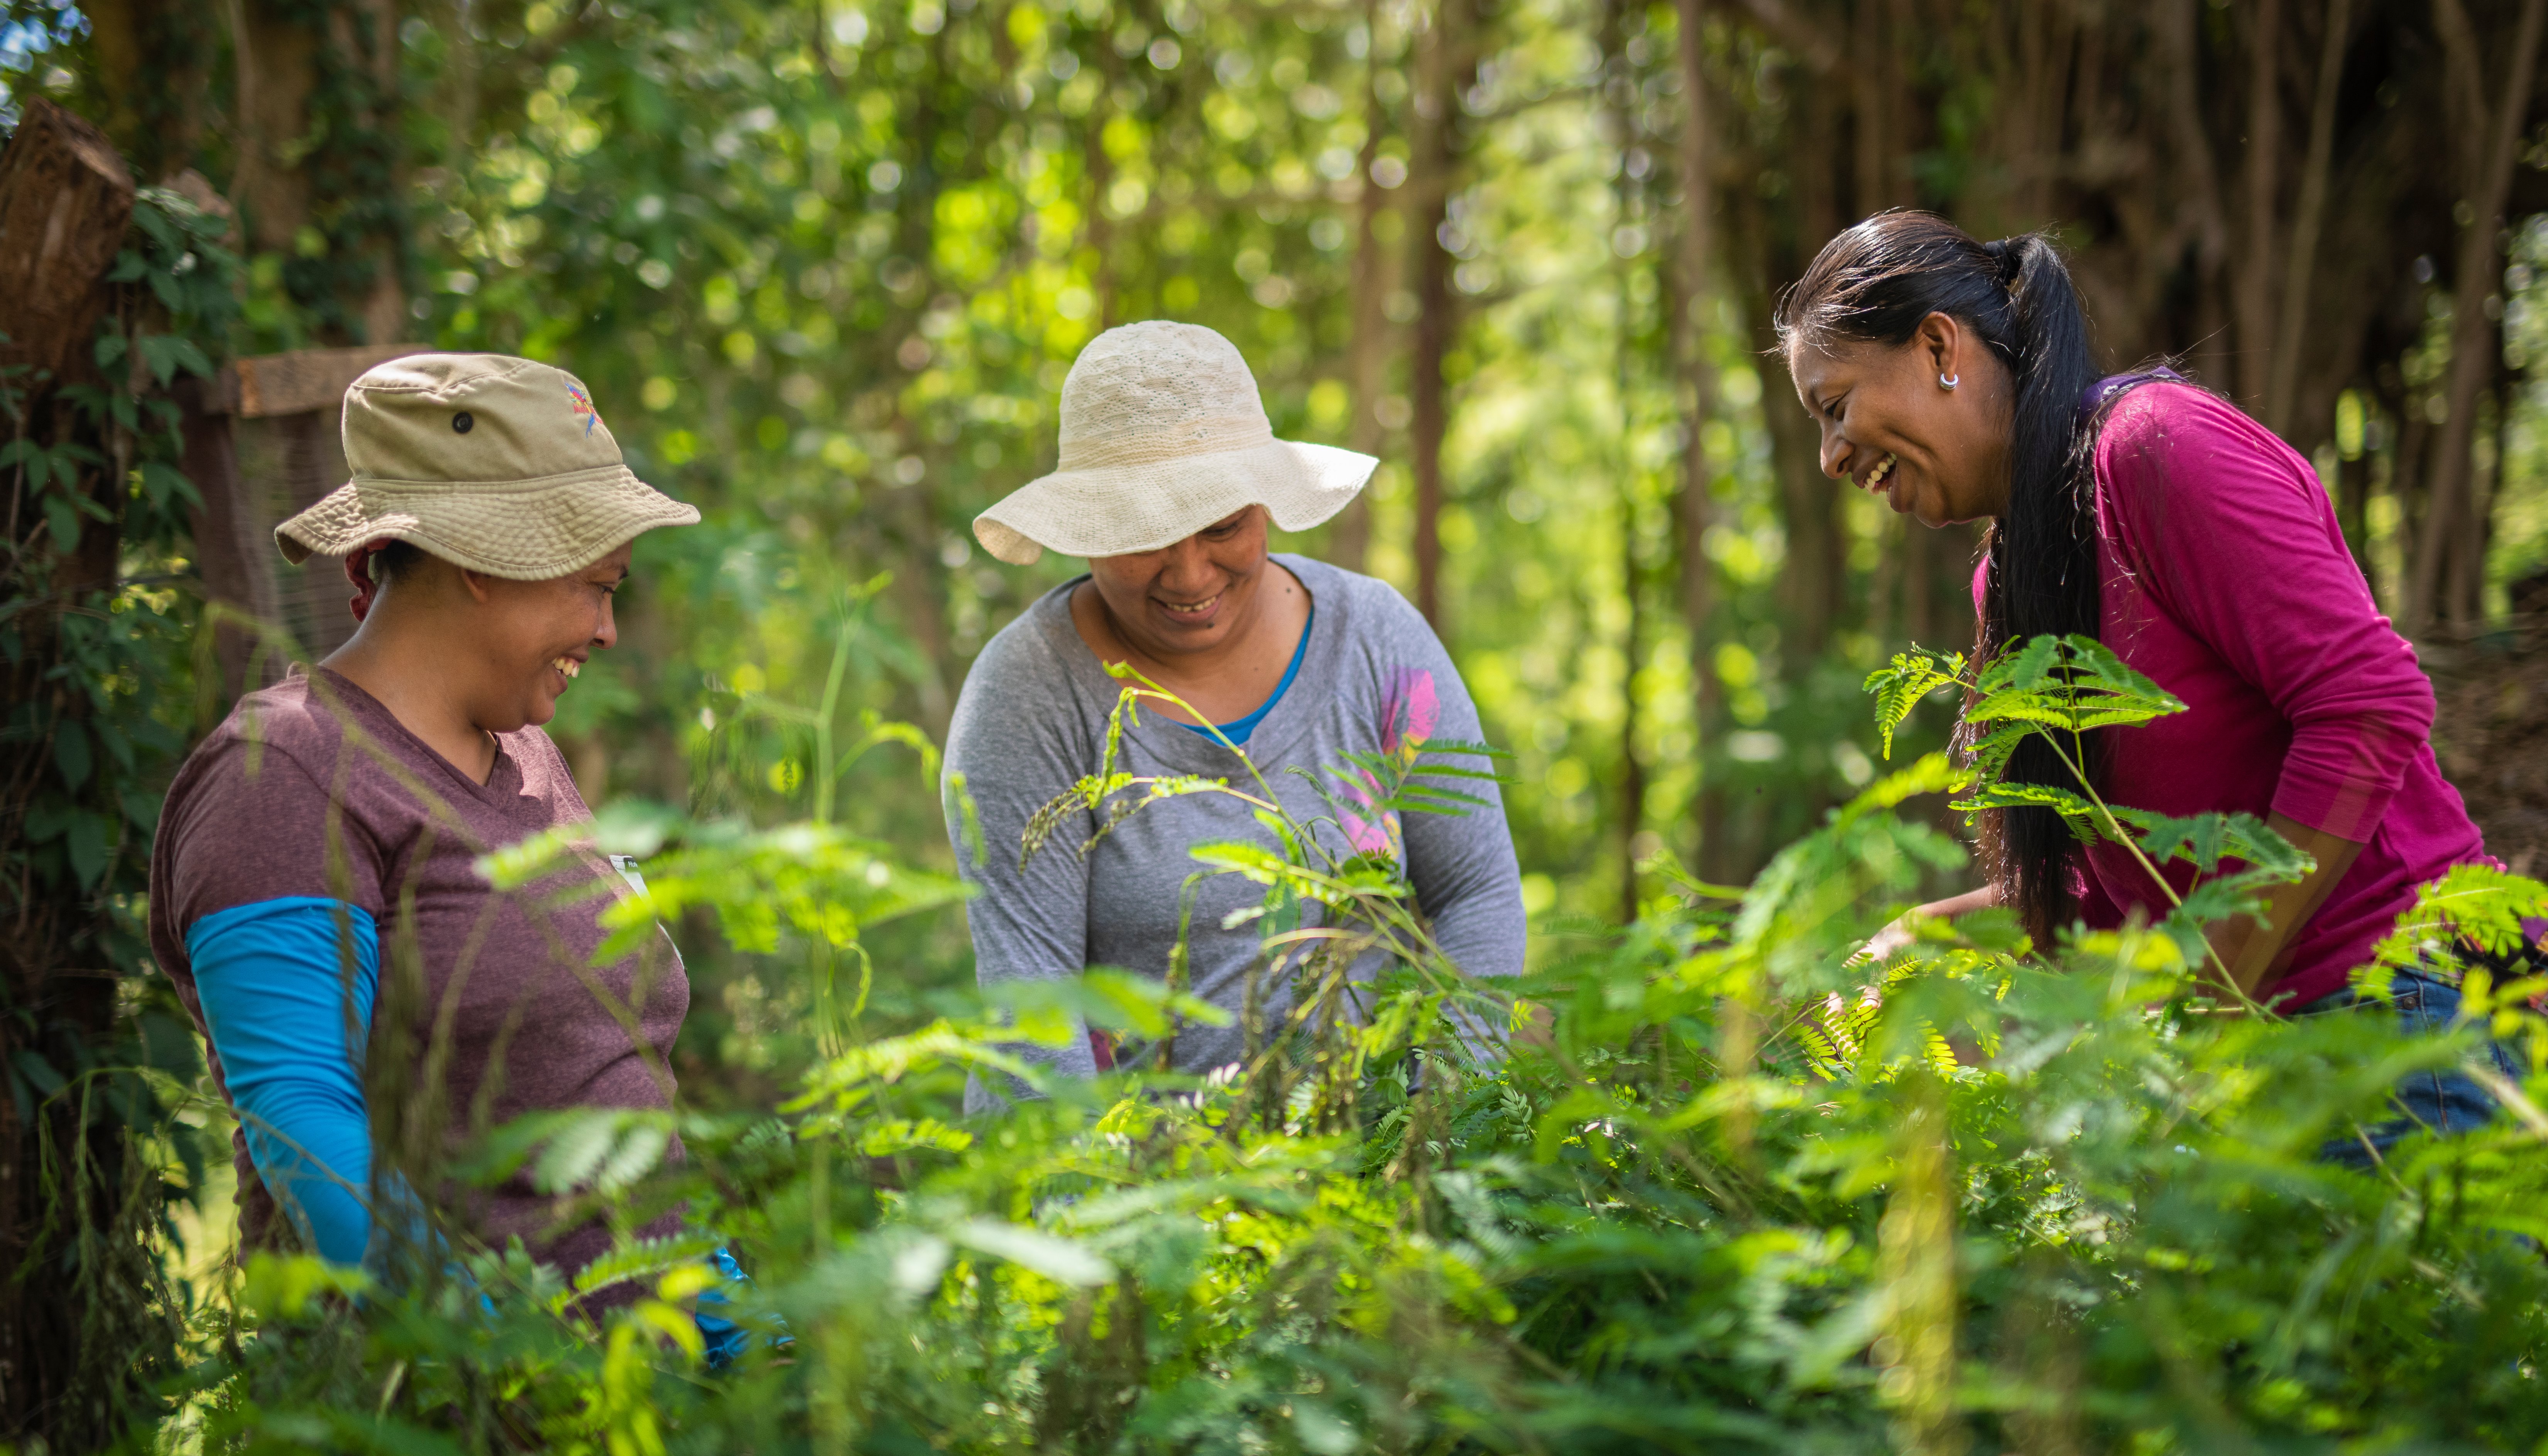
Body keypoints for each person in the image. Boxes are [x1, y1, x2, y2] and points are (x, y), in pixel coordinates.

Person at [1777, 211, 2524, 1156]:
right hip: (2260, 1067)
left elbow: (2365, 705)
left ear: (1937, 348)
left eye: (1835, 406)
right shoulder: (2009, 577)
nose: (1829, 457)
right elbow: (2121, 883)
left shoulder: (2152, 447)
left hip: (2403, 1018)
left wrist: (2213, 994)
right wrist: (1930, 942)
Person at [148, 354, 747, 1339]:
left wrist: (718, 1309)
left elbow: (606, 1073)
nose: (606, 630)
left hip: (651, 1370)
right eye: (596, 587)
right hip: (451, 1386)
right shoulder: (284, 776)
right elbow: (302, 1121)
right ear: (481, 558)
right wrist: (504, 1364)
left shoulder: (524, 750)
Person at [944, 321, 1526, 1104]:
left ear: (1264, 506)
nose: (1189, 575)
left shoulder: (1375, 642)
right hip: (1130, 1167)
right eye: (1143, 538)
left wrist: (1444, 1116)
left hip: (1374, 1154)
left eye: (1221, 526)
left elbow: (1475, 892)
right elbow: (1033, 1001)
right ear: (1088, 531)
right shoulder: (1028, 691)